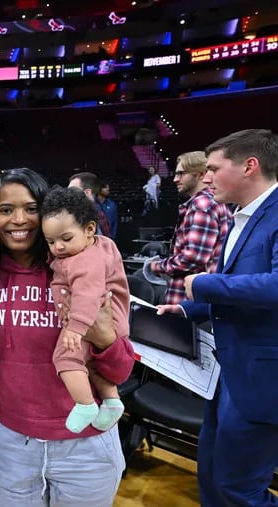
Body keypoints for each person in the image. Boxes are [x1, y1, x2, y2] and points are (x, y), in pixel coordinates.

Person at [0, 168, 135, 506]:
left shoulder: (79, 267)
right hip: (14, 444)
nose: (18, 220)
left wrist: (104, 338)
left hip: (86, 445)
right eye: (5, 209)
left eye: (31, 208)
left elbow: (121, 370)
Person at [157, 129, 278, 506]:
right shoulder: (241, 217)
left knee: (238, 489)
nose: (205, 177)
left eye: (213, 168)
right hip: (229, 372)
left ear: (249, 166)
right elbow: (239, 292)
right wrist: (189, 308)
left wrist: (207, 286)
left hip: (262, 379)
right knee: (211, 476)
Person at [40, 186, 130, 434]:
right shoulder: (96, 248)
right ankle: (111, 401)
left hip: (91, 322)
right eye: (51, 242)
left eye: (65, 239)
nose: (58, 247)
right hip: (107, 323)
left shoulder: (85, 259)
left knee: (66, 358)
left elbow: (87, 294)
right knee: (88, 363)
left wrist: (75, 328)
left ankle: (85, 404)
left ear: (90, 229)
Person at [145, 151, 232, 305]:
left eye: (181, 174)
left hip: (191, 302)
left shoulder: (202, 205)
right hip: (200, 298)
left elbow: (194, 257)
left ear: (201, 174)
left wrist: (156, 266)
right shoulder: (212, 201)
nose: (175, 179)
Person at [67, 172, 111, 237]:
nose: (68, 194)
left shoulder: (98, 216)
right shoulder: (70, 213)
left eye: (72, 190)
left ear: (87, 192)